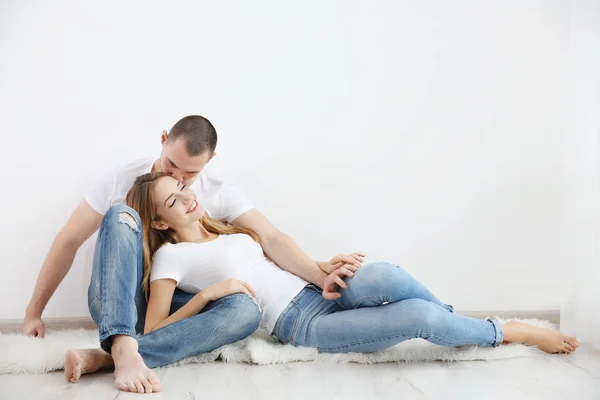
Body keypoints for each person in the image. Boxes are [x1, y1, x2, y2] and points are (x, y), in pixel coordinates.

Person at [66, 172, 580, 391]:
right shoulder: (173, 257)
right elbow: (154, 327)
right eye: (174, 200)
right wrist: (210, 293)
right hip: (301, 324)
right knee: (421, 319)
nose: (188, 197)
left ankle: (457, 324)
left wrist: (323, 265)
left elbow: (273, 258)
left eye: (184, 187)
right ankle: (507, 331)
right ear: (159, 222)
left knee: (384, 273)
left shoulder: (228, 227)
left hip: (315, 292)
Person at [25, 116, 348, 394]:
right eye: (171, 164)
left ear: (210, 160)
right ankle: (122, 344)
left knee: (245, 310)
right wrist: (34, 312)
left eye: (190, 174)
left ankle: (105, 357)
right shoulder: (119, 178)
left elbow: (271, 238)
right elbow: (68, 240)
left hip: (168, 308)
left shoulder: (216, 192)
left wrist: (319, 274)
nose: (179, 179)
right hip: (117, 300)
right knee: (121, 213)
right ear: (163, 140)